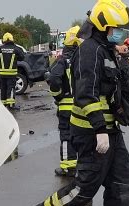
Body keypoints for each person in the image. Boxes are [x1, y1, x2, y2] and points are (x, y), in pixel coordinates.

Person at [29, 0, 129, 206]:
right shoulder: (90, 51)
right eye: (119, 28)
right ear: (104, 26)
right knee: (86, 187)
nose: (123, 33)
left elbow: (112, 91)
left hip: (110, 130)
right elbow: (85, 94)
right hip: (93, 132)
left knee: (122, 181)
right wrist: (100, 130)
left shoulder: (106, 50)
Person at [48, 26, 81, 177]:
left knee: (66, 136)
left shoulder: (62, 60)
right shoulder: (85, 59)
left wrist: (58, 95)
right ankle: (81, 165)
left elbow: (54, 79)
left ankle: (68, 167)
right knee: (81, 136)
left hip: (67, 106)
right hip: (84, 106)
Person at [0, 33, 25, 109]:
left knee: (2, 88)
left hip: (1, 74)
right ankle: (11, 105)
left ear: (3, 40)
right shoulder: (15, 48)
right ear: (12, 39)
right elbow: (22, 57)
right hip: (11, 74)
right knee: (11, 88)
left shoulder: (0, 48)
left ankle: (2, 105)